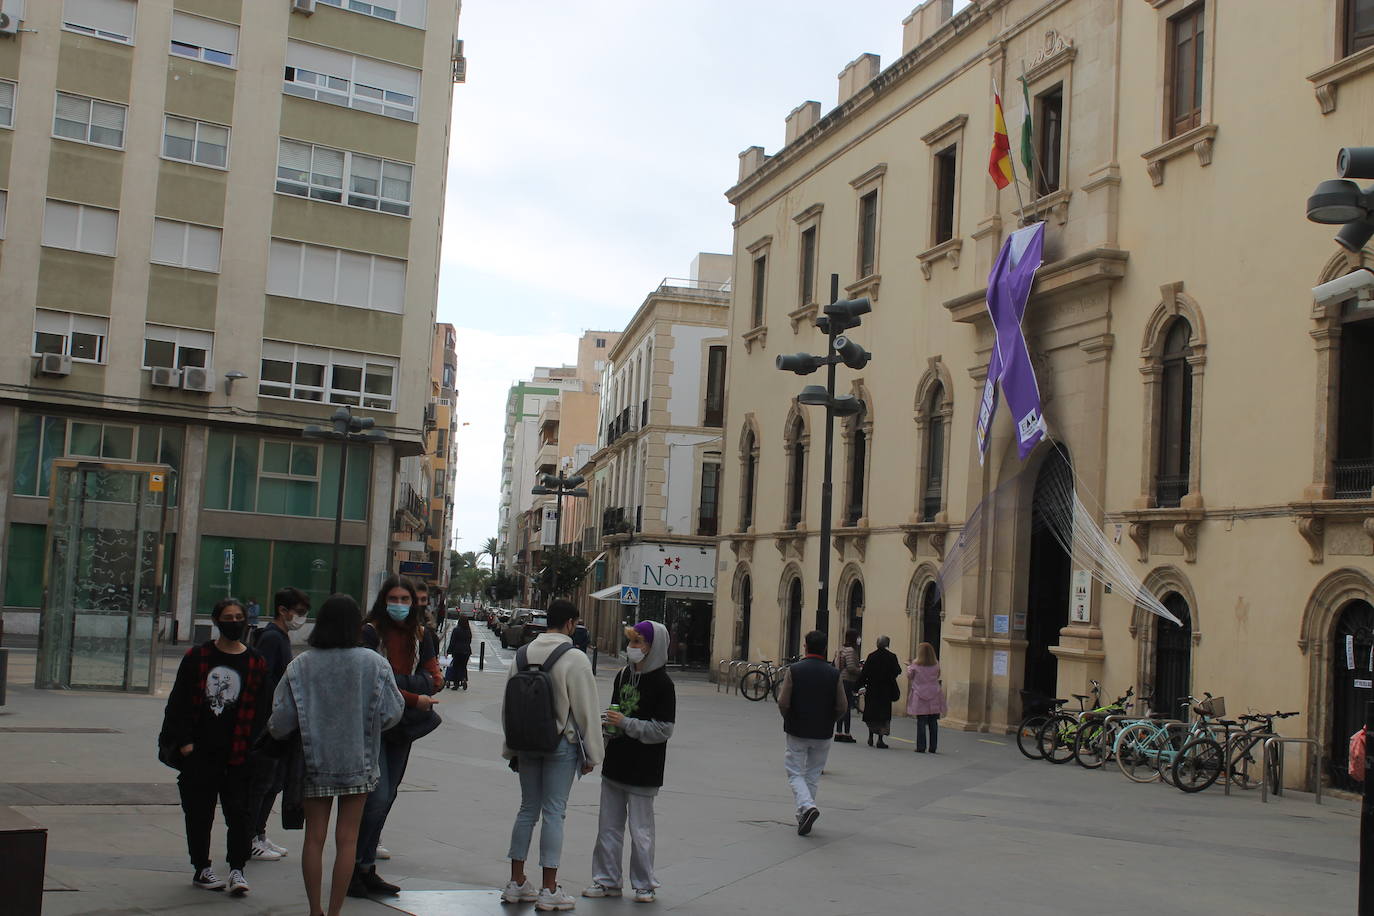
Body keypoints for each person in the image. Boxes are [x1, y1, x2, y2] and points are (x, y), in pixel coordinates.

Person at [269, 593, 405, 916]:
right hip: (358, 760)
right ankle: (334, 912)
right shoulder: (374, 663)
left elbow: (280, 721)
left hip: (314, 763)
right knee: (348, 839)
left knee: (314, 838)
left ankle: (314, 910)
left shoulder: (301, 665)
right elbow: (393, 712)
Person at [159, 598, 269, 896]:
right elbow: (179, 703)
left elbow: (262, 710)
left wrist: (255, 749)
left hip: (239, 753)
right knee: (199, 814)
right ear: (216, 621)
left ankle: (237, 868)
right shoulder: (198, 657)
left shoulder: (256, 662)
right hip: (201, 752)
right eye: (228, 617)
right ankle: (201, 867)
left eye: (239, 617)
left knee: (240, 814)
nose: (234, 622)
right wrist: (185, 744)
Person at [501, 599, 603, 912]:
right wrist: (592, 754)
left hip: (526, 743)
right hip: (560, 744)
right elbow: (586, 710)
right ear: (571, 623)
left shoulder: (523, 654)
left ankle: (516, 882)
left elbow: (508, 706)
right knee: (554, 812)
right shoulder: (574, 658)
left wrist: (511, 747)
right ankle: (549, 889)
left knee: (527, 809)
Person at [350, 576, 442, 898]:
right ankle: (352, 868)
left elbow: (435, 680)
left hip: (402, 727)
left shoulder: (421, 635)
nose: (400, 605)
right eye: (394, 599)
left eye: (406, 599)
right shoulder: (370, 633)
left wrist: (399, 684)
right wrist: (415, 695)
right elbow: (370, 681)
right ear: (383, 600)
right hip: (373, 725)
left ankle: (365, 868)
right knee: (376, 798)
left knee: (388, 797)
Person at [584, 621, 675, 903]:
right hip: (616, 763)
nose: (631, 648)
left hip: (644, 768)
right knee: (607, 826)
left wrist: (626, 723)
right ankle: (607, 880)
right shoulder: (623, 675)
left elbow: (663, 729)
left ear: (652, 647)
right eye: (631, 642)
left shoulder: (663, 684)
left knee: (641, 830)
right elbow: (616, 713)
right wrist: (607, 730)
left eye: (638, 642)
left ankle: (644, 884)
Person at [246, 586, 311, 862]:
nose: (301, 618)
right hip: (268, 721)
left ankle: (259, 833)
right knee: (263, 782)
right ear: (283, 610)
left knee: (273, 782)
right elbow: (265, 681)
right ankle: (250, 836)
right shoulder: (273, 638)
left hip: (277, 721)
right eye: (298, 612)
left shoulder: (280, 636)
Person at [776, 630, 847, 837]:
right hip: (823, 732)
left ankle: (807, 806)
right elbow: (842, 706)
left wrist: (789, 718)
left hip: (797, 729)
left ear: (805, 646)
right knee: (813, 775)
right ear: (825, 648)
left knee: (795, 772)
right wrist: (830, 720)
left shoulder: (795, 670)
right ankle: (803, 814)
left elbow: (783, 702)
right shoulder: (833, 674)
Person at [856, 635, 902, 749]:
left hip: (872, 689)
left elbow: (864, 673)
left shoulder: (871, 656)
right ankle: (880, 739)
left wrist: (856, 686)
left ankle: (870, 736)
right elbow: (898, 670)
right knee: (883, 715)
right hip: (886, 690)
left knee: (872, 714)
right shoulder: (892, 657)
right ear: (888, 644)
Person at [907, 642, 947, 754]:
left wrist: (909, 666)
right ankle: (933, 747)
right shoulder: (936, 664)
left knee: (921, 721)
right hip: (934, 694)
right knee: (933, 721)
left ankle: (921, 746)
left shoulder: (915, 665)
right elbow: (938, 675)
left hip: (920, 694)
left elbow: (910, 676)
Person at [833, 629, 861, 743]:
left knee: (841, 705)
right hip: (847, 680)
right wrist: (860, 670)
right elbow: (850, 667)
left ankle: (838, 732)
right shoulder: (850, 650)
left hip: (840, 679)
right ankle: (847, 733)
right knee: (847, 706)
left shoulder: (842, 649)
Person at [445, 615, 473, 690]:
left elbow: (452, 642)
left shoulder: (456, 630)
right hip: (467, 651)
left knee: (456, 667)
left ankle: (456, 684)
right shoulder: (468, 630)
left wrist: (448, 651)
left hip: (457, 651)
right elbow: (469, 641)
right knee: (463, 666)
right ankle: (463, 678)